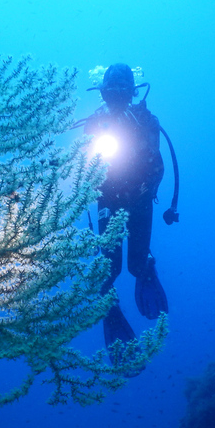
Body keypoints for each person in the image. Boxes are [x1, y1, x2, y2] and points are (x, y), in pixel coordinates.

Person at [82, 63, 169, 349]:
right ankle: (111, 310)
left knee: (135, 264)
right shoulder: (94, 123)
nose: (116, 100)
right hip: (108, 200)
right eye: (111, 95)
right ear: (103, 94)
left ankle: (147, 271)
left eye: (122, 94)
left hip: (141, 200)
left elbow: (158, 166)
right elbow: (83, 163)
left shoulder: (146, 121)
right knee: (109, 268)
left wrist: (147, 189)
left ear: (132, 93)